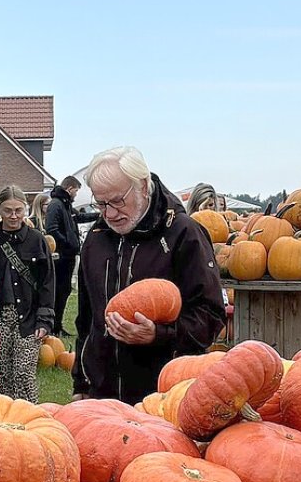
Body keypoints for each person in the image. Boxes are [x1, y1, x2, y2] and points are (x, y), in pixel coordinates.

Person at [70, 147, 225, 404]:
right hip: (103, 398)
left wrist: (159, 335)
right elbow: (87, 320)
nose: (109, 213)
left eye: (118, 201)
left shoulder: (183, 234)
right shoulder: (96, 240)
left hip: (165, 396)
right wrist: (82, 382)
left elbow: (211, 315)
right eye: (101, 203)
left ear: (142, 186)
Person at [0, 186, 55, 400]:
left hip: (28, 316)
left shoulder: (37, 240)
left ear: (26, 209)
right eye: (8, 211)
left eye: (18, 211)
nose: (13, 216)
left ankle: (28, 420)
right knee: (0, 375)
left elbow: (47, 282)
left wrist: (45, 319)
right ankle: (1, 421)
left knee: (24, 375)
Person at [45, 176, 84, 336]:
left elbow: (79, 217)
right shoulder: (57, 205)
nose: (76, 194)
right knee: (59, 292)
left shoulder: (65, 205)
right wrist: (68, 243)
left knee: (65, 291)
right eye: (76, 190)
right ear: (70, 189)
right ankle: (53, 327)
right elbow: (52, 228)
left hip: (67, 256)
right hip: (61, 257)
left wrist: (99, 216)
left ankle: (58, 326)